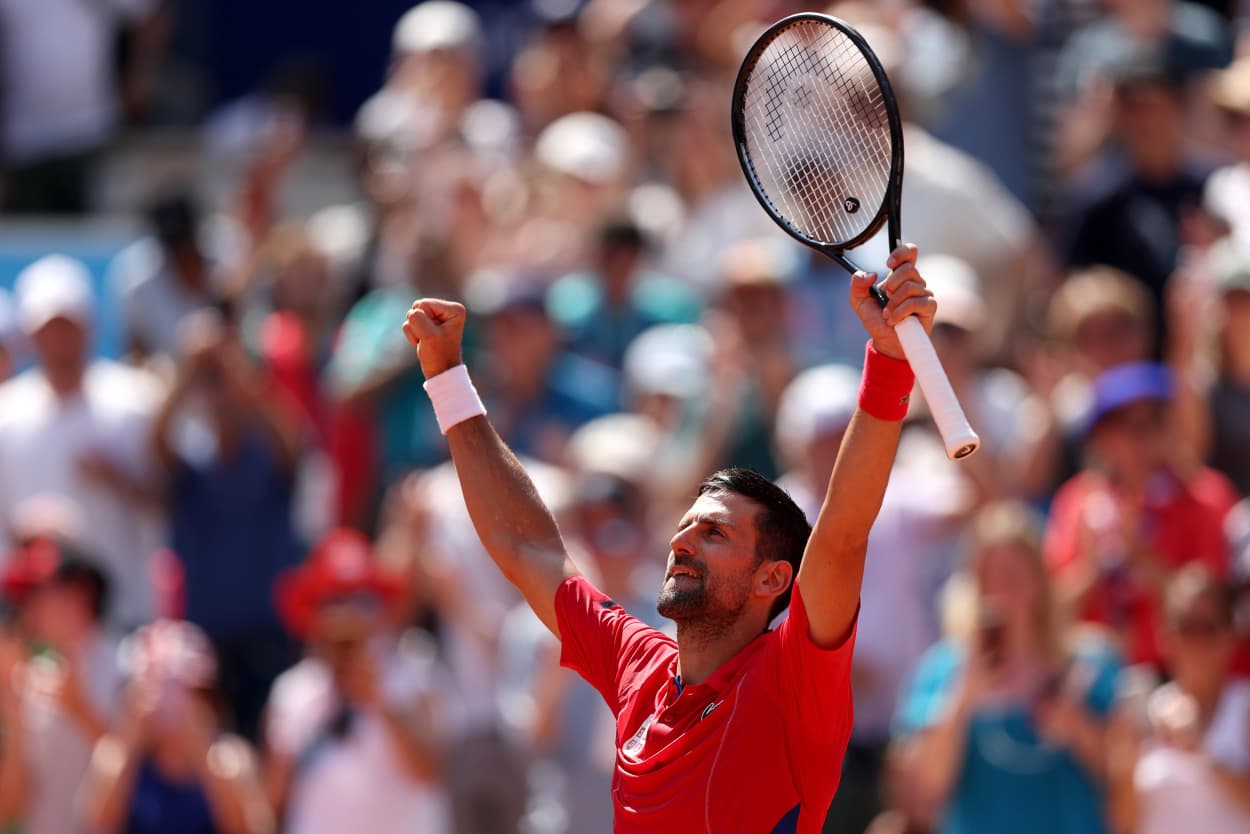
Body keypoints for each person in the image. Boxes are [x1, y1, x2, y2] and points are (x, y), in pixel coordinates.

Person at [400, 242, 937, 832]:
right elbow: (527, 545)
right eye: (684, 527)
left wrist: (889, 360)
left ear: (773, 577)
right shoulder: (638, 666)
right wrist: (449, 379)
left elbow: (839, 537)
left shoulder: (793, 682)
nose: (681, 542)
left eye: (713, 533)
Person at [891, 502, 1122, 834]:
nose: (1003, 587)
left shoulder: (1090, 662)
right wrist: (962, 701)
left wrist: (1077, 728)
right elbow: (925, 790)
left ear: (1041, 579)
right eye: (991, 574)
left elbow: (1125, 780)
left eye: (1015, 573)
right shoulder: (943, 671)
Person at [151, 309, 303, 742]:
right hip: (204, 645)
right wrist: (188, 373)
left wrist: (241, 374)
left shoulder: (269, 459)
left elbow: (293, 441)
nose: (220, 398)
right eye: (211, 388)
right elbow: (156, 441)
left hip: (268, 638)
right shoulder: (192, 466)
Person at [0, 255, 164, 627]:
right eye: (48, 328)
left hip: (122, 615)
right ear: (30, 335)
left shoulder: (134, 403)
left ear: (90, 326)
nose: (59, 340)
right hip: (32, 621)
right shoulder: (6, 414)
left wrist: (117, 479)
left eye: (68, 326)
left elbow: (167, 501)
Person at [1043, 361, 1239, 667]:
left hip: (1179, 678)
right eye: (1124, 424)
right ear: (1100, 437)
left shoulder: (1206, 497)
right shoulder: (1077, 501)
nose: (1141, 437)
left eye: (1153, 420)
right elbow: (1050, 612)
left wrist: (1141, 558)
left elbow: (1219, 615)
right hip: (1098, 681)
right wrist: (1093, 569)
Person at [264, 529, 450, 834]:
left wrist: (381, 702)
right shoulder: (293, 693)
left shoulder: (415, 671)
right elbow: (273, 803)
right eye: (333, 600)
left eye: (356, 600)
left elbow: (433, 770)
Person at [78, 619, 273, 834]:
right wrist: (130, 741)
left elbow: (251, 828)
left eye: (179, 688)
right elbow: (96, 823)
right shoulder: (117, 755)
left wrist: (203, 754)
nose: (165, 700)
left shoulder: (232, 756)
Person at [1107, 566, 1250, 834]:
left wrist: (1203, 752)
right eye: (1185, 626)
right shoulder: (1143, 711)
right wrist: (1124, 765)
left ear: (1231, 636)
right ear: (1166, 635)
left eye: (1207, 628)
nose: (1195, 642)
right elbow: (1123, 823)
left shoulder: (1244, 705)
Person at [0, 535, 122, 834]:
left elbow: (148, 779)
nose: (27, 610)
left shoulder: (129, 664)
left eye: (39, 594)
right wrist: (15, 720)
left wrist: (79, 709)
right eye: (25, 599)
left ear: (82, 593)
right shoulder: (31, 680)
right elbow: (10, 810)